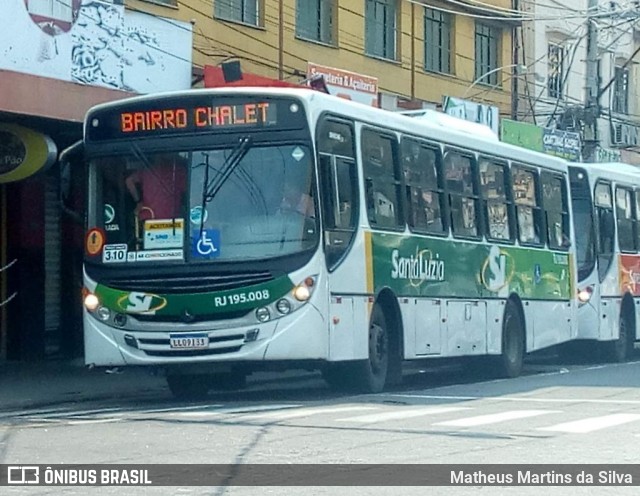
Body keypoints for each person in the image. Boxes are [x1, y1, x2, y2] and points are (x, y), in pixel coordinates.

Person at [125, 154, 187, 221]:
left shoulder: (147, 170)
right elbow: (187, 193)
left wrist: (138, 202)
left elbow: (129, 180)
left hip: (149, 216)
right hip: (172, 219)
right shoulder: (179, 172)